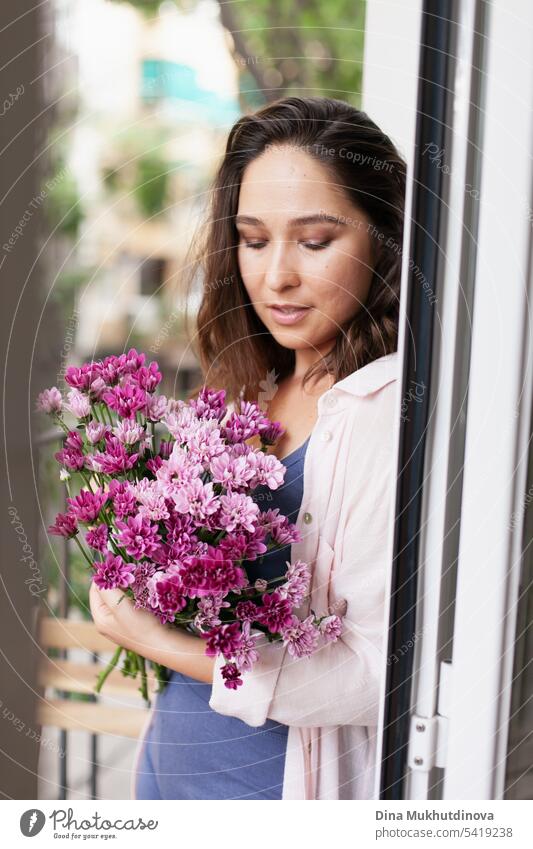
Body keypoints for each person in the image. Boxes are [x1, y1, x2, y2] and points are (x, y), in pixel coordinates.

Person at [89, 95, 406, 800]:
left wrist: (158, 641)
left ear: (383, 239)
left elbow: (371, 676)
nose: (275, 277)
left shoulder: (383, 412)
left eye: (315, 240)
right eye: (254, 239)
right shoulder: (250, 389)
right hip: (169, 771)